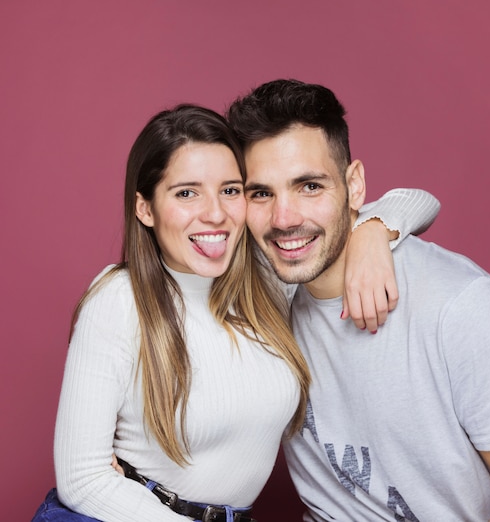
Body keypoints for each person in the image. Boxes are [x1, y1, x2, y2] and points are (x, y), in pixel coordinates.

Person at [32, 104, 439, 522]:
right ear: (145, 209)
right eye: (186, 193)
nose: (215, 213)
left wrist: (373, 233)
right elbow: (82, 478)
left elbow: (420, 201)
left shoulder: (268, 279)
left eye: (230, 190)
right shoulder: (120, 300)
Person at [226, 79, 490, 522]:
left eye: (310, 187)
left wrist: (376, 226)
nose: (284, 219)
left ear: (354, 185)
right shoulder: (261, 298)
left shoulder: (459, 307)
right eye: (261, 193)